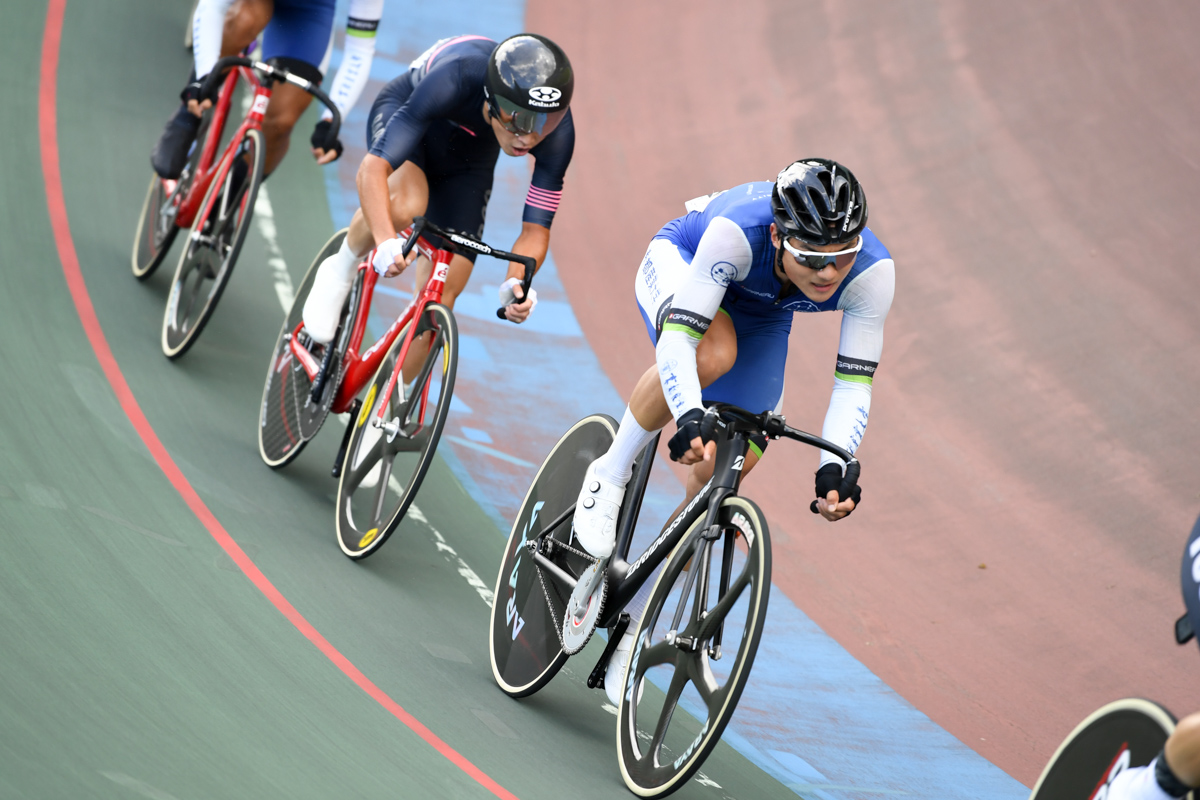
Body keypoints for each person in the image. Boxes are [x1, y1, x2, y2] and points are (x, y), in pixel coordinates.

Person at [572, 158, 895, 703]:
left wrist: (835, 465)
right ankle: (610, 468)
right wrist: (688, 410)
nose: (828, 273)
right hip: (687, 262)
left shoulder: (873, 273)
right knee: (711, 355)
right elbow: (678, 342)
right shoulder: (737, 233)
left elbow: (853, 386)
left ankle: (639, 615)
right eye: (812, 257)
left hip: (766, 310)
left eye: (841, 256)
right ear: (778, 234)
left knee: (733, 457)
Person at [299, 32, 575, 342]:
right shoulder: (457, 76)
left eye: (545, 122)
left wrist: (516, 283)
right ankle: (341, 266)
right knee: (406, 203)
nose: (531, 136)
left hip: (469, 162)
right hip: (411, 121)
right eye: (520, 120)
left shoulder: (558, 136)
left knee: (439, 301)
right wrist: (386, 239)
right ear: (493, 101)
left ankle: (393, 388)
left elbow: (535, 231)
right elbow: (372, 168)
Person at [151, 0, 385, 181]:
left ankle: (228, 203)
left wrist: (331, 119)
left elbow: (360, 50)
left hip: (308, 13)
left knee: (281, 123)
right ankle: (188, 115)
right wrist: (203, 77)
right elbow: (214, 6)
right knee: (245, 20)